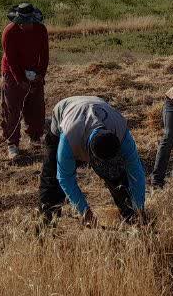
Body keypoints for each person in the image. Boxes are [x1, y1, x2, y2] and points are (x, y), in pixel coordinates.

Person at [40, 96, 146, 226]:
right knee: (51, 180)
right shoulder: (69, 139)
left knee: (119, 178)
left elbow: (136, 171)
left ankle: (133, 220)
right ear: (91, 157)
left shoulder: (121, 132)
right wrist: (84, 211)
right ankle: (46, 225)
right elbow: (65, 177)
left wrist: (139, 207)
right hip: (65, 112)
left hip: (97, 107)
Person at [1, 3, 49, 160]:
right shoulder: (9, 32)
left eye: (28, 22)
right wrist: (19, 80)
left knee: (36, 106)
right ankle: (12, 144)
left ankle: (35, 137)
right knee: (13, 108)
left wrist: (41, 74)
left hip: (34, 70)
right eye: (22, 22)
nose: (25, 25)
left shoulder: (41, 30)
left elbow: (45, 54)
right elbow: (11, 60)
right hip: (12, 72)